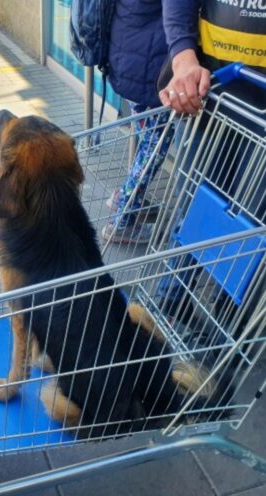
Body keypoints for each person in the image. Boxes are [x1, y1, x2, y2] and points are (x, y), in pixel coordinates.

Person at [155, 0, 264, 329]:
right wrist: (183, 59)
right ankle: (170, 302)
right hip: (209, 90)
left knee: (252, 222)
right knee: (195, 204)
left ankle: (227, 324)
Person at [99, 0, 176, 245]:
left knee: (148, 143)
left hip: (128, 63)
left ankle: (126, 197)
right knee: (154, 148)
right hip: (149, 71)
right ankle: (121, 222)